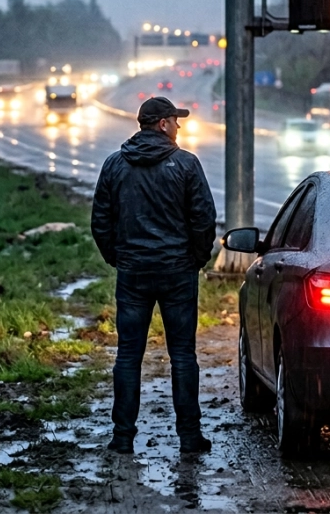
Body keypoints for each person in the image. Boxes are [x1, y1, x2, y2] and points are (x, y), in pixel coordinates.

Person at [91, 96, 217, 455]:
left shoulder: (115, 165)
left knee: (128, 355)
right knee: (183, 355)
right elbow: (203, 219)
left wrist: (118, 257)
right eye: (176, 120)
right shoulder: (186, 165)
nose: (179, 126)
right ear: (162, 124)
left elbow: (100, 221)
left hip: (133, 273)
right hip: (177, 272)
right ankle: (190, 438)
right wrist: (195, 258)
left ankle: (122, 437)